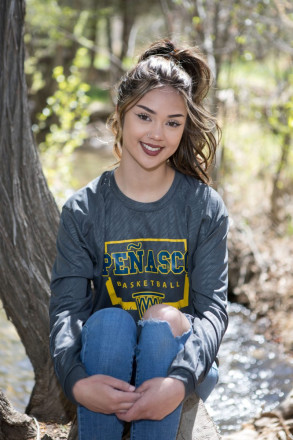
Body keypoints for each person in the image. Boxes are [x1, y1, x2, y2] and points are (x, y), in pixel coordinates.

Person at [49, 38, 229, 440]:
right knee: (109, 321)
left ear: (185, 129)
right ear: (121, 114)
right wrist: (77, 381)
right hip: (106, 358)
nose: (156, 134)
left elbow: (213, 310)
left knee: (163, 317)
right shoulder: (84, 209)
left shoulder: (203, 208)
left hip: (178, 363)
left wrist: (179, 382)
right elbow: (67, 311)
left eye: (172, 122)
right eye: (144, 116)